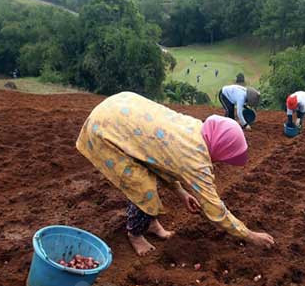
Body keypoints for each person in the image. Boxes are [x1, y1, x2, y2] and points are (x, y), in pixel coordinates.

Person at [76, 92, 275, 256]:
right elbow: (214, 208)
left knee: (147, 168)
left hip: (121, 108)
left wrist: (182, 194)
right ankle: (135, 234)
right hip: (105, 127)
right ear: (220, 149)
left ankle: (150, 223)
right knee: (142, 187)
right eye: (224, 158)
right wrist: (249, 235)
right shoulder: (195, 158)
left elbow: (162, 161)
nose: (220, 162)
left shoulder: (197, 129)